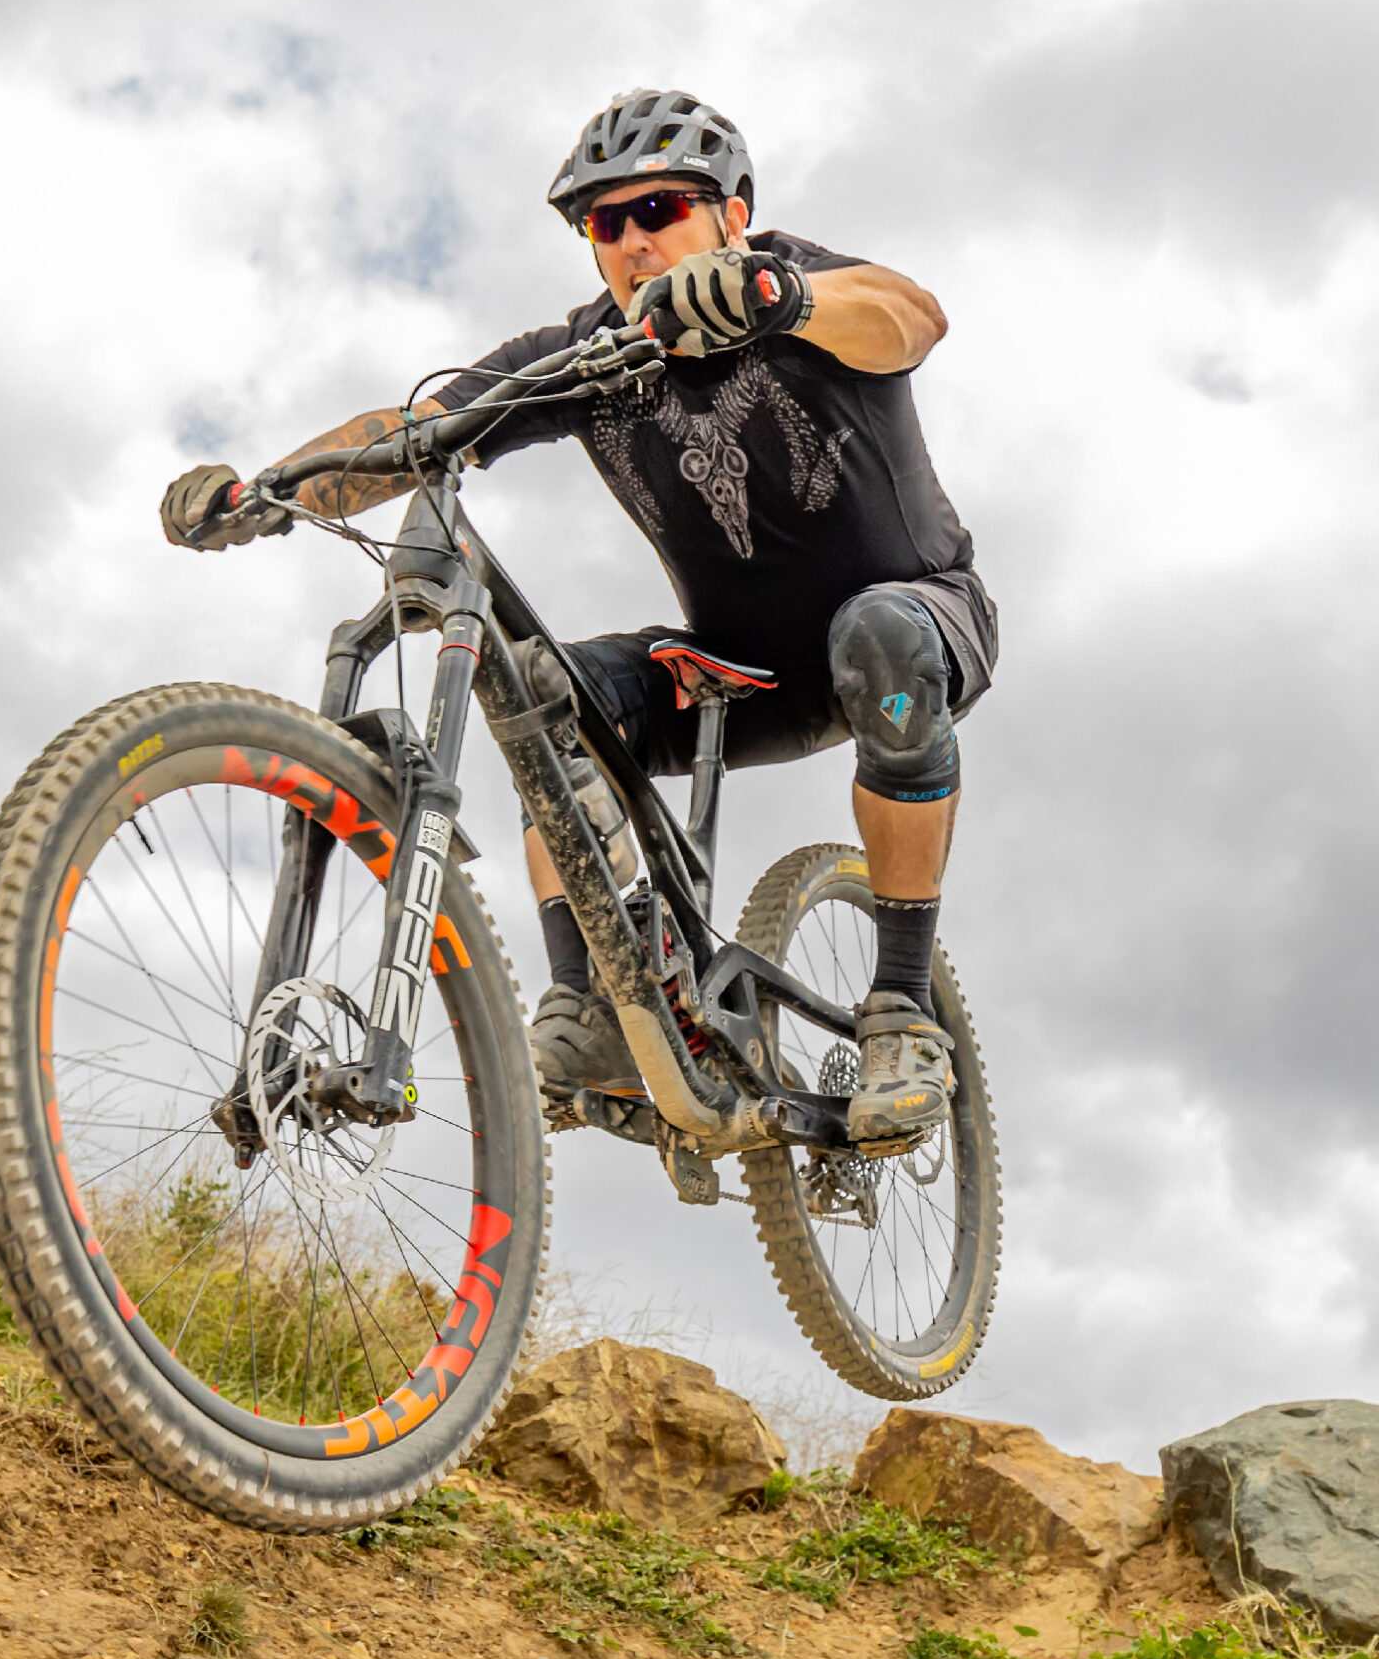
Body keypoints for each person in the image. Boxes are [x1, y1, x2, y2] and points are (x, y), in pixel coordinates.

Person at [158, 90, 993, 1152]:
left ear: (731, 214)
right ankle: (593, 1004)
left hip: (914, 627)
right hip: (736, 674)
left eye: (662, 209)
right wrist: (267, 494)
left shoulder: (795, 278)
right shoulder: (590, 353)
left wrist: (777, 297)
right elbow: (414, 425)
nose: (637, 240)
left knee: (880, 632)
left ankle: (902, 1011)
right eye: (607, 223)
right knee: (539, 691)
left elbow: (908, 315)